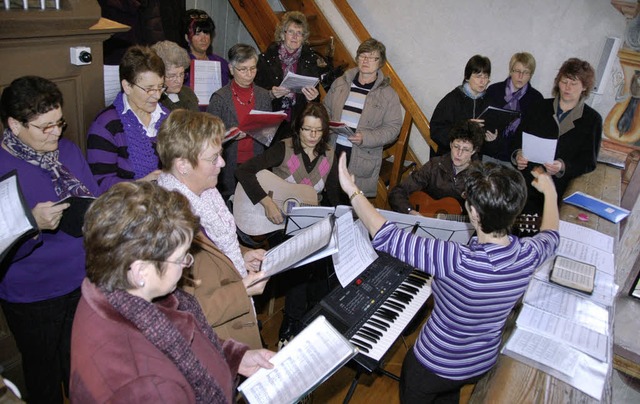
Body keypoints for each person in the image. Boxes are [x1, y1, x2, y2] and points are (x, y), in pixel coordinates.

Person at [337, 153, 560, 403]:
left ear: (474, 213)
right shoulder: (529, 255)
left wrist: (352, 190)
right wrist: (550, 193)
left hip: (433, 364)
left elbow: (386, 235)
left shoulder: (454, 259)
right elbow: (551, 234)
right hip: (481, 361)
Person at [70, 181, 275, 402]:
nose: (187, 264)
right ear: (140, 271)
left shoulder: (117, 287)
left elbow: (189, 343)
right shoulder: (146, 386)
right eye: (180, 258)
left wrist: (235, 358)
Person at [0, 76, 100, 404]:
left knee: (81, 368)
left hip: (80, 280)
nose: (56, 132)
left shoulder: (67, 151)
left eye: (59, 123)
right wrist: (33, 223)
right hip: (32, 294)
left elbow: (93, 200)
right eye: (45, 127)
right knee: (44, 378)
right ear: (15, 125)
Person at [156, 109, 267, 348]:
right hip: (213, 341)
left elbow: (216, 247)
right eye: (213, 158)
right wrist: (242, 291)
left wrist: (244, 254)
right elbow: (184, 312)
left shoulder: (204, 193)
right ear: (183, 164)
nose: (223, 163)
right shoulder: (167, 223)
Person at [236, 102, 340, 346]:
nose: (312, 136)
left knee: (328, 254)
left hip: (310, 224)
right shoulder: (285, 149)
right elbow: (244, 172)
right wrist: (266, 202)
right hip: (277, 224)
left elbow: (334, 197)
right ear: (298, 128)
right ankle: (291, 322)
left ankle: (315, 318)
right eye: (307, 130)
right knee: (301, 257)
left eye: (318, 131)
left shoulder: (330, 157)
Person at [512, 58, 603, 214]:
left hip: (558, 192)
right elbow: (516, 140)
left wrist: (562, 166)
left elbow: (589, 162)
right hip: (526, 187)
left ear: (584, 87)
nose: (567, 88)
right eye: (563, 82)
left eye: (573, 84)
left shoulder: (592, 120)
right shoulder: (539, 107)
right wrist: (518, 155)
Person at [323, 38, 402, 199]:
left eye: (372, 57)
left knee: (350, 205)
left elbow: (393, 129)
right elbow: (326, 109)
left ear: (380, 63)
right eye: (362, 55)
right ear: (357, 58)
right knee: (326, 199)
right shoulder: (340, 82)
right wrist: (327, 124)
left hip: (360, 155)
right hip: (333, 148)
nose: (366, 60)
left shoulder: (388, 95)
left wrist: (365, 137)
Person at [86, 45, 168, 193]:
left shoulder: (167, 117)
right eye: (149, 89)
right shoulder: (106, 125)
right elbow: (101, 183)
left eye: (160, 87)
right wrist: (140, 184)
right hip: (127, 207)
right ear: (127, 86)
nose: (157, 96)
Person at [207, 43, 273, 201]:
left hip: (256, 160)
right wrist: (230, 134)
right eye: (243, 69)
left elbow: (269, 133)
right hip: (229, 162)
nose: (249, 74)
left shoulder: (263, 95)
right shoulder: (220, 98)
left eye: (253, 68)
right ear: (231, 69)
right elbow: (209, 136)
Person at [388, 120, 484, 215]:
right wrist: (411, 212)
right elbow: (397, 192)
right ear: (451, 144)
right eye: (456, 146)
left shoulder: (479, 175)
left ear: (474, 150)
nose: (459, 153)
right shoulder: (434, 165)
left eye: (466, 149)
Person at [255, 11, 322, 144]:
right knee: (271, 160)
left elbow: (316, 94)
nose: (295, 37)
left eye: (299, 33)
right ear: (282, 34)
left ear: (304, 37)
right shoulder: (266, 58)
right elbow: (255, 91)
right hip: (271, 120)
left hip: (298, 121)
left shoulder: (310, 59)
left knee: (293, 162)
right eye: (290, 31)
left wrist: (313, 97)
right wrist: (271, 93)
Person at [430, 55, 497, 156]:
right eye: (478, 76)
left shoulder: (489, 101)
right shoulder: (452, 99)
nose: (482, 81)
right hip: (450, 157)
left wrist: (489, 139)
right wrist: (465, 127)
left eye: (486, 77)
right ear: (467, 77)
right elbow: (436, 131)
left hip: (474, 160)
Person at [485, 52, 543, 164]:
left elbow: (534, 133)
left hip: (515, 159)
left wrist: (519, 153)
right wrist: (487, 135)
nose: (520, 76)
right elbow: (485, 120)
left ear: (531, 75)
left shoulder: (536, 99)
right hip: (489, 153)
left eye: (526, 72)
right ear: (511, 71)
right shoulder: (494, 90)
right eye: (517, 71)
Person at [183, 9, 230, 89]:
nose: (203, 39)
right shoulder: (182, 64)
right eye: (197, 34)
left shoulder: (221, 63)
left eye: (206, 33)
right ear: (187, 37)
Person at [152, 40, 199, 112]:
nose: (179, 80)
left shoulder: (189, 93)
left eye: (181, 74)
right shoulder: (152, 100)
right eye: (172, 76)